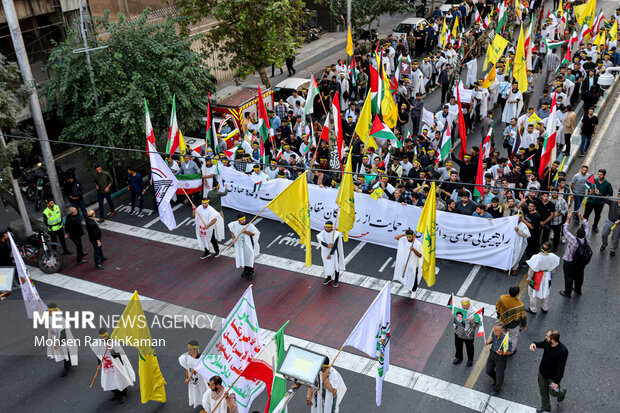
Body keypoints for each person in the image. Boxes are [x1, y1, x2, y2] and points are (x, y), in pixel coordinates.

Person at [90, 328, 135, 404]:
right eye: (102, 337)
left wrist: (111, 350)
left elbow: (119, 354)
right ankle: (116, 393)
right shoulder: (98, 343)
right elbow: (98, 354)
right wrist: (99, 364)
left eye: (105, 336)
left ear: (107, 335)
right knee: (108, 381)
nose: (104, 338)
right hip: (107, 365)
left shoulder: (113, 342)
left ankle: (122, 394)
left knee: (120, 379)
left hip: (116, 364)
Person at [529, 330, 569, 413]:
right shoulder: (547, 342)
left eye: (547, 337)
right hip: (542, 373)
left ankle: (562, 392)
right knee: (543, 391)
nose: (545, 337)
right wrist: (534, 344)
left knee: (554, 392)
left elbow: (561, 368)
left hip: (552, 377)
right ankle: (546, 407)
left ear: (553, 340)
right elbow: (540, 344)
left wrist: (556, 382)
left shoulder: (563, 351)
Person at [560, 211, 591, 297]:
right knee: (579, 275)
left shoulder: (573, 240)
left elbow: (565, 229)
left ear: (576, 234)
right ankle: (578, 290)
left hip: (570, 261)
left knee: (569, 277)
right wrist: (581, 217)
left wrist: (568, 218)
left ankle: (567, 293)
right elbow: (588, 226)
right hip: (581, 262)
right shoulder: (587, 239)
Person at [525, 242, 560, 314]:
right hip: (547, 277)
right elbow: (553, 269)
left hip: (537, 277)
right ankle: (544, 308)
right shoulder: (553, 257)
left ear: (541, 248)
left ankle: (533, 309)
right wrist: (551, 277)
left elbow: (531, 270)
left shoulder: (536, 257)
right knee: (546, 292)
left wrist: (529, 278)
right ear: (549, 250)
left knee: (533, 293)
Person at [45, 304, 78, 377]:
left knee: (64, 350)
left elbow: (63, 335)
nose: (48, 313)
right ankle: (69, 360)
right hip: (55, 336)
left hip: (62, 337)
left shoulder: (60, 320)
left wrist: (58, 344)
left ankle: (66, 366)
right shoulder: (50, 316)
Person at [228, 213, 260, 280]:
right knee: (243, 256)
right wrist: (233, 239)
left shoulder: (249, 225)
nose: (244, 220)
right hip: (240, 244)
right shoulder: (234, 224)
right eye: (242, 220)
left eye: (244, 219)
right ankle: (245, 270)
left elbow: (254, 233)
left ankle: (251, 271)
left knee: (249, 256)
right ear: (238, 220)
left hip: (248, 244)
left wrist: (245, 232)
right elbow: (232, 231)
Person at [485, 322, 512, 396]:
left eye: (497, 330)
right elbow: (493, 340)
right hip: (492, 353)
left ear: (502, 331)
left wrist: (503, 353)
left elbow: (510, 352)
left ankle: (497, 388)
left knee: (500, 374)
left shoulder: (507, 340)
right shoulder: (494, 334)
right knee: (488, 370)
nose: (495, 332)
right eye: (494, 330)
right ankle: (495, 378)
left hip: (501, 357)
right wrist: (488, 342)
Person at [496, 286, 526, 351]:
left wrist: (499, 316)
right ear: (517, 294)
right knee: (513, 338)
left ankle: (503, 347)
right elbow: (523, 317)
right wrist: (523, 325)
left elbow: (497, 308)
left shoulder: (502, 298)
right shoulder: (520, 305)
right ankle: (511, 350)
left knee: (503, 335)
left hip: (502, 322)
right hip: (513, 325)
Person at [179, 340, 207, 409]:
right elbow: (186, 368)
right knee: (194, 392)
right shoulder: (187, 356)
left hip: (201, 379)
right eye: (188, 349)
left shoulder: (201, 358)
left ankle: (205, 407)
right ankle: (197, 403)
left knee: (202, 392)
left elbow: (204, 369)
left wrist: (198, 370)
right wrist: (187, 377)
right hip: (192, 379)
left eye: (190, 349)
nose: (188, 351)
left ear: (196, 350)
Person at [317, 221, 345, 288]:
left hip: (333, 252)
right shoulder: (322, 233)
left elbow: (335, 245)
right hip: (325, 252)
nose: (327, 228)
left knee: (336, 266)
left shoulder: (336, 234)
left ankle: (336, 280)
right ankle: (329, 278)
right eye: (326, 227)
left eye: (328, 227)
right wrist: (328, 245)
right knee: (327, 265)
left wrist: (330, 254)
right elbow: (322, 242)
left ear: (332, 227)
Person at [452, 297, 479, 367]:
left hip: (468, 333)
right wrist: (453, 315)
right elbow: (456, 317)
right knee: (458, 346)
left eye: (465, 306)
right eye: (462, 305)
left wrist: (471, 322)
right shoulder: (458, 307)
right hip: (458, 331)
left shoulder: (475, 312)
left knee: (469, 347)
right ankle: (459, 357)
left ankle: (470, 359)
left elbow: (477, 324)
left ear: (469, 304)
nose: (463, 307)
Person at [600, 191, 620, 256]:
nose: (619, 199)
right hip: (609, 221)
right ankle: (604, 244)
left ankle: (612, 250)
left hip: (617, 224)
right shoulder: (613, 203)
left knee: (615, 238)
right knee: (604, 234)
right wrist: (599, 194)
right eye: (619, 197)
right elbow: (604, 199)